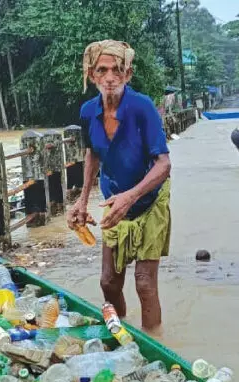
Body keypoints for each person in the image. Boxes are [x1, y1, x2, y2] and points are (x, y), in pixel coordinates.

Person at [66, 40, 172, 334]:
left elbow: (163, 164)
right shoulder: (89, 112)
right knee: (108, 282)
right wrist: (82, 200)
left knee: (145, 283)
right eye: (103, 70)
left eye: (117, 70)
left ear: (128, 74)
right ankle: (122, 332)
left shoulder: (142, 107)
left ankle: (154, 345)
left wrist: (131, 196)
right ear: (91, 75)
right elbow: (93, 154)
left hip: (149, 198)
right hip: (114, 200)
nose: (110, 77)